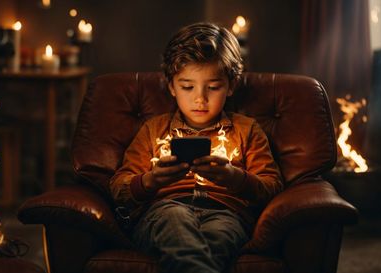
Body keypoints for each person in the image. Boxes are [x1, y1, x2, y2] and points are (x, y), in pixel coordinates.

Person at [110, 22, 283, 273]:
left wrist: (235, 178)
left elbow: (272, 186)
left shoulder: (247, 130)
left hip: (226, 214)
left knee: (218, 237)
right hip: (165, 211)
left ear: (231, 85)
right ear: (171, 86)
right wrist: (150, 180)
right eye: (187, 87)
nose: (200, 98)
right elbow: (118, 188)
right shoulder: (153, 130)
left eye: (213, 87)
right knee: (176, 219)